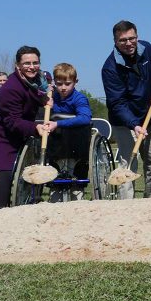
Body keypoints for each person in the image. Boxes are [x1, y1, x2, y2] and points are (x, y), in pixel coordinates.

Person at [0, 46, 50, 211]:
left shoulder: (36, 81)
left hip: (19, 133)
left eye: (35, 62)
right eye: (27, 63)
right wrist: (36, 128)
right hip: (1, 135)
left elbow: (36, 93)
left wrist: (45, 99)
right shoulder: (11, 88)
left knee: (23, 172)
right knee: (7, 173)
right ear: (18, 65)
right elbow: (12, 121)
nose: (32, 66)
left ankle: (23, 208)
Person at [102, 20, 151, 199]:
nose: (129, 43)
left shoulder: (147, 49)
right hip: (125, 122)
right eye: (123, 40)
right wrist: (134, 125)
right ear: (115, 41)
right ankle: (126, 204)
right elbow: (117, 103)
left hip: (148, 117)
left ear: (137, 37)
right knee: (128, 164)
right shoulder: (110, 68)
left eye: (132, 38)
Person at [43, 63, 93, 202]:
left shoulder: (79, 98)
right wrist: (48, 106)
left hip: (76, 145)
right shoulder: (52, 97)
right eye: (59, 84)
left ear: (75, 82)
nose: (63, 87)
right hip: (55, 146)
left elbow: (85, 118)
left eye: (67, 83)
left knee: (75, 178)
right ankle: (54, 192)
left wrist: (58, 123)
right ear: (54, 83)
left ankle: (77, 195)